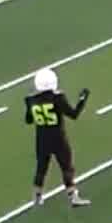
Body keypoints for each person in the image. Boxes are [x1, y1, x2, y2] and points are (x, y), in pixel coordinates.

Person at [24, 68, 91, 207]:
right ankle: (73, 196)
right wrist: (82, 100)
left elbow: (28, 120)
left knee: (41, 168)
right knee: (66, 167)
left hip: (41, 138)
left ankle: (37, 197)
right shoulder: (57, 98)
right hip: (58, 138)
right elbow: (74, 114)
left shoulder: (31, 100)